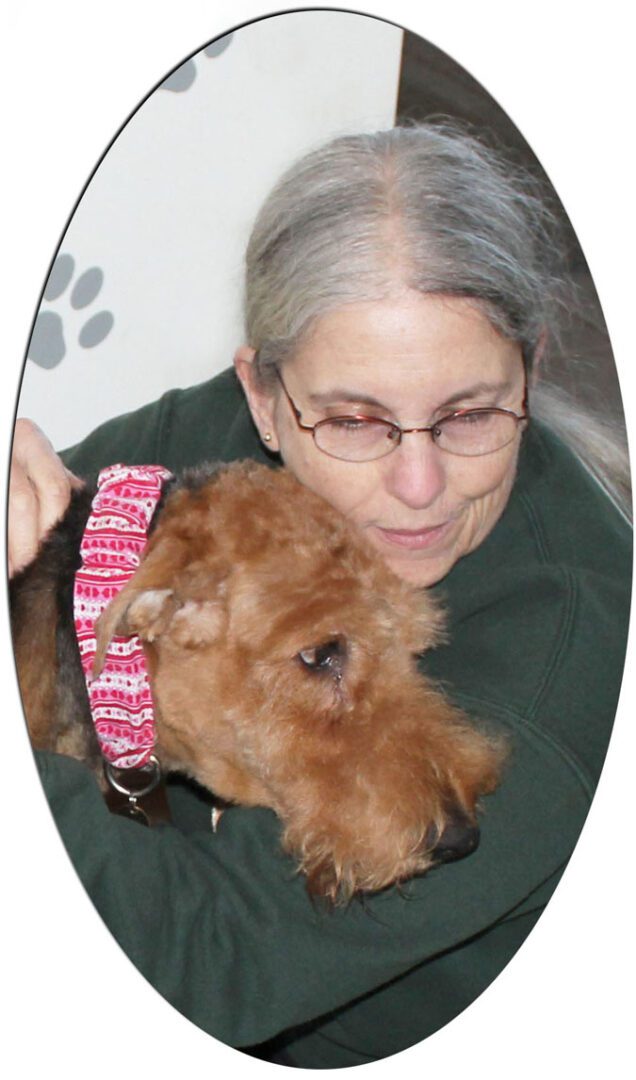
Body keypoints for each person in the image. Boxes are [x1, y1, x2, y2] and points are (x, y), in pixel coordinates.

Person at [8, 122, 632, 1067]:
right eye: (356, 419)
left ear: (532, 372)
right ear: (263, 396)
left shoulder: (573, 657)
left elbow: (195, 961)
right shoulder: (229, 442)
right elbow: (47, 553)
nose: (420, 487)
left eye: (469, 413)